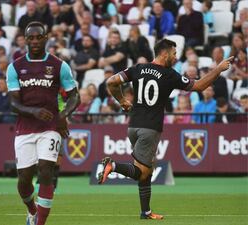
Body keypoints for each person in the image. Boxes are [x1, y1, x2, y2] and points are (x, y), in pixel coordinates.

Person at [98, 39, 233, 220]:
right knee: (142, 172)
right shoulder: (169, 74)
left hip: (133, 126)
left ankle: (145, 212)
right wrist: (218, 69)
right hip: (150, 128)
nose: (176, 57)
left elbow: (112, 82)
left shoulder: (138, 68)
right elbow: (200, 86)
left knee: (147, 167)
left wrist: (122, 101)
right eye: (174, 53)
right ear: (164, 53)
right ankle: (112, 165)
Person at [6, 21, 79, 225]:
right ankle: (32, 210)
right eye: (31, 37)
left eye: (39, 37)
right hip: (25, 129)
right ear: (25, 40)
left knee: (46, 169)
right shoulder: (15, 67)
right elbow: (13, 103)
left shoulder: (59, 65)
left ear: (46, 38)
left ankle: (40, 222)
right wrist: (33, 111)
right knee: (24, 180)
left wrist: (63, 115)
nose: (36, 41)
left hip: (51, 128)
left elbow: (75, 96)